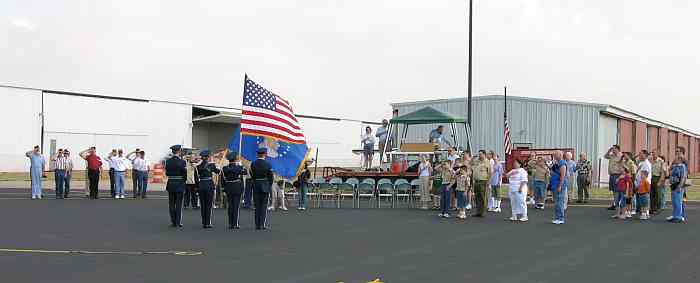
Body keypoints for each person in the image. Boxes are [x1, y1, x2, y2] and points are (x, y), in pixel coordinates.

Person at [195, 149, 220, 229]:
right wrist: (218, 167)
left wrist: (197, 187)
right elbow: (217, 172)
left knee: (203, 205)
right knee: (209, 205)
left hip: (201, 185)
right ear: (208, 157)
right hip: (209, 185)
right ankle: (208, 223)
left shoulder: (198, 166)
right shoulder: (211, 165)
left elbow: (196, 178)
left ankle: (203, 222)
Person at [222, 152, 247, 229]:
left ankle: (230, 223)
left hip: (228, 187)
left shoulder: (225, 168)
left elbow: (223, 179)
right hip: (236, 187)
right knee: (236, 206)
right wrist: (241, 165)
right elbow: (245, 172)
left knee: (230, 206)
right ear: (235, 159)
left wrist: (223, 188)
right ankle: (235, 223)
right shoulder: (239, 167)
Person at [251, 148, 274, 230]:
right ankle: (262, 224)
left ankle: (257, 225)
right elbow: (271, 177)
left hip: (256, 185)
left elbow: (252, 175)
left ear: (258, 154)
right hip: (265, 185)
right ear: (265, 154)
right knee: (264, 206)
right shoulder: (268, 164)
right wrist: (268, 185)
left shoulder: (253, 164)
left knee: (257, 206)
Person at [165, 145, 187, 228]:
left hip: (170, 182)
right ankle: (178, 222)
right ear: (179, 151)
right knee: (178, 204)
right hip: (179, 182)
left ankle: (173, 221)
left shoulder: (168, 161)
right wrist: (183, 181)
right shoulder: (182, 162)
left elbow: (167, 173)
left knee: (171, 203)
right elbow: (184, 174)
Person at [550, 151, 568, 225]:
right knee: (556, 201)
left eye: (556, 154)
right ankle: (557, 217)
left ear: (560, 155)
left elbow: (562, 176)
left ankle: (560, 218)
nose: (554, 155)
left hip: (559, 185)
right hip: (555, 184)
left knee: (559, 201)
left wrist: (560, 185)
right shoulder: (556, 163)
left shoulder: (562, 163)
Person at [472, 150, 492, 217]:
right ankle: (478, 211)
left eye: (480, 154)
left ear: (484, 154)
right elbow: (469, 164)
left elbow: (490, 173)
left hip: (483, 181)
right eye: (479, 154)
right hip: (476, 181)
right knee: (477, 197)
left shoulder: (487, 162)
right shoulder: (477, 161)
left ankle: (482, 212)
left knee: (482, 197)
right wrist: (472, 158)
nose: (479, 155)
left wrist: (488, 181)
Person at [667, 155, 687, 223]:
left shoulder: (682, 167)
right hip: (672, 185)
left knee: (678, 201)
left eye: (676, 158)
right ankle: (675, 215)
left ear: (680, 159)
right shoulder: (675, 166)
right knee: (674, 201)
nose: (674, 159)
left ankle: (678, 216)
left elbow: (683, 177)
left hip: (678, 185)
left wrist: (680, 186)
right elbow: (669, 173)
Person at [604, 145, 624, 210]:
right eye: (612, 149)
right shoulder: (612, 155)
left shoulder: (621, 156)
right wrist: (609, 150)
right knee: (613, 190)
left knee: (617, 190)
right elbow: (605, 156)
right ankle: (615, 203)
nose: (613, 150)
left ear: (618, 149)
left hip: (617, 175)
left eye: (614, 149)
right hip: (612, 175)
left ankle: (617, 204)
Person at [650, 150, 666, 214]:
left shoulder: (661, 161)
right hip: (651, 178)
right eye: (652, 153)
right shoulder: (650, 160)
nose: (653, 154)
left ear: (658, 154)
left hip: (658, 178)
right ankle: (652, 208)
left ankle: (658, 208)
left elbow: (663, 172)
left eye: (654, 153)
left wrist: (660, 181)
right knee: (651, 194)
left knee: (658, 194)